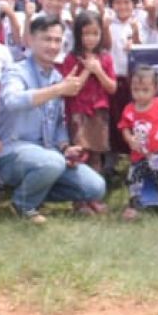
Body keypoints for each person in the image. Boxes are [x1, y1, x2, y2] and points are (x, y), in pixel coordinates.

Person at [0, 15, 106, 223]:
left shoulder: (56, 76)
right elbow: (11, 101)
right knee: (52, 162)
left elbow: (57, 123)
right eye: (47, 39)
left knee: (96, 187)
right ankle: (23, 204)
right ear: (30, 40)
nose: (53, 45)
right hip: (12, 154)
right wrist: (57, 90)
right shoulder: (16, 71)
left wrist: (65, 147)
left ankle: (34, 193)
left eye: (57, 40)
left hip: (48, 155)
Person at [118, 65, 158, 225]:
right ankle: (133, 207)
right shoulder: (129, 109)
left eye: (145, 90)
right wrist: (129, 139)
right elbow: (124, 127)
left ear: (155, 89)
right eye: (135, 90)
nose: (139, 94)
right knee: (134, 180)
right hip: (137, 155)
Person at [59, 10, 117, 186]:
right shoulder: (71, 58)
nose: (91, 38)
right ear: (78, 34)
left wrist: (98, 70)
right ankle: (80, 197)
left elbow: (112, 88)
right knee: (80, 153)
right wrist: (87, 70)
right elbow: (71, 89)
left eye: (95, 33)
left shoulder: (105, 58)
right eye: (86, 34)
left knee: (96, 154)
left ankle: (94, 194)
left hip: (99, 111)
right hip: (79, 111)